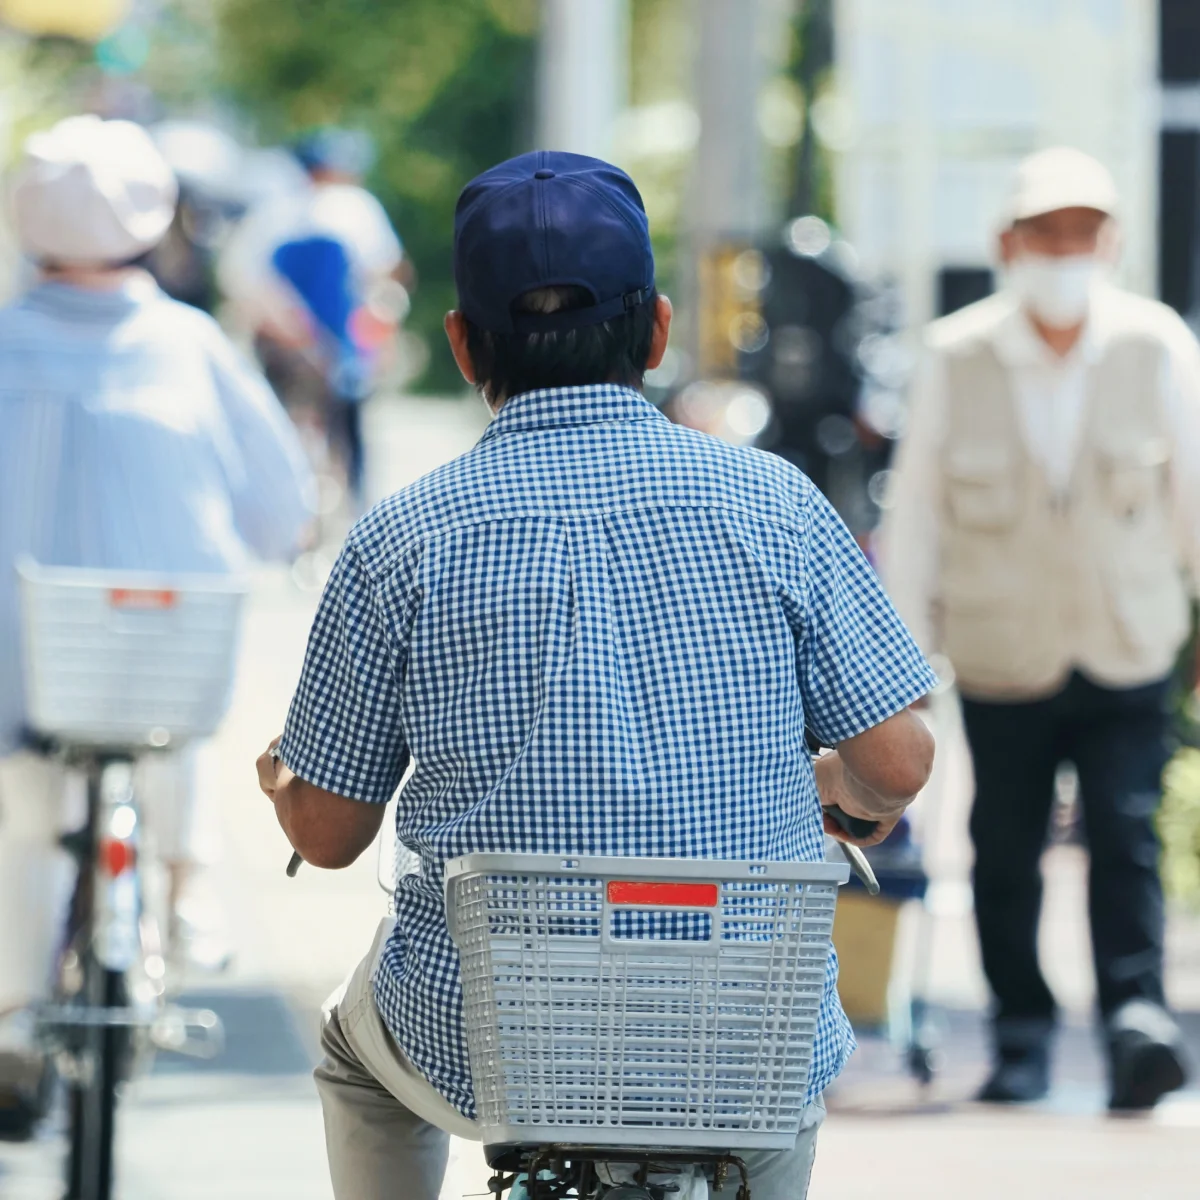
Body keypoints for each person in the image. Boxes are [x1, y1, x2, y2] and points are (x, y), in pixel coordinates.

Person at [255, 150, 937, 1200]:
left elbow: (330, 837)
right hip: (739, 1040)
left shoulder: (401, 539)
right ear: (658, 329)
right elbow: (898, 758)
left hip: (486, 1044)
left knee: (356, 1058)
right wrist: (847, 792)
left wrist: (283, 784)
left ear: (462, 341)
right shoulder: (778, 504)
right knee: (773, 1092)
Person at [0, 115, 315, 1135]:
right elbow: (283, 512)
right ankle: (181, 888)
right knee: (165, 718)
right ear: (154, 227)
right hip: (163, 670)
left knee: (19, 812)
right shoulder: (192, 346)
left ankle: (10, 1013)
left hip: (14, 672)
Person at [881, 146, 1200, 1109]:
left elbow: (1195, 491)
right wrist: (898, 665)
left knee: (1126, 831)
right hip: (1000, 647)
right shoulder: (955, 354)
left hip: (1127, 642)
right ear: (1008, 244)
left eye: (1082, 234)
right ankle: (1020, 1034)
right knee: (1005, 844)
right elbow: (920, 520)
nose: (1065, 252)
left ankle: (1134, 1019)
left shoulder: (1156, 344)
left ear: (1111, 243)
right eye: (1046, 234)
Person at [219, 128, 411, 507]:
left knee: (284, 429)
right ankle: (356, 506)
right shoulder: (356, 207)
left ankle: (284, 506)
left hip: (285, 343)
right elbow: (386, 271)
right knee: (346, 429)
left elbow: (241, 278)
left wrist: (287, 325)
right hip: (340, 343)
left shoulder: (273, 211)